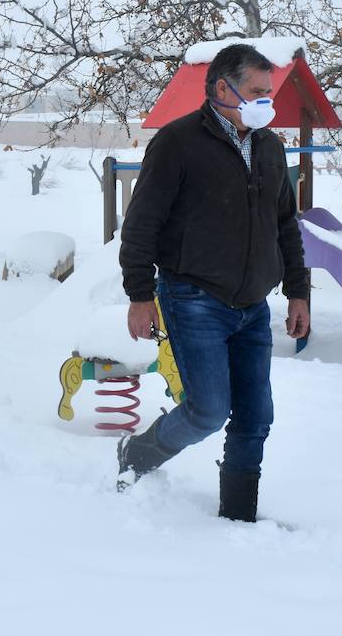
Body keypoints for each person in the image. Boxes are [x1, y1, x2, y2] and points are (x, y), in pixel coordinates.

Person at [115, 42, 310, 522]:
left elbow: (285, 223)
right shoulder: (178, 143)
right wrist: (140, 295)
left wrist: (298, 290)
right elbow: (141, 225)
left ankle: (238, 517)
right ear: (223, 88)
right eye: (257, 92)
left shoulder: (269, 146)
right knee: (207, 411)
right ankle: (139, 454)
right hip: (193, 298)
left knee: (256, 416)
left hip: (253, 305)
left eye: (270, 93)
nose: (268, 102)